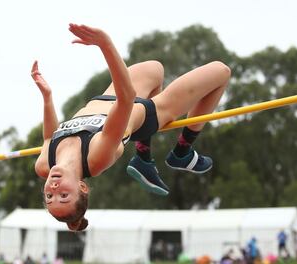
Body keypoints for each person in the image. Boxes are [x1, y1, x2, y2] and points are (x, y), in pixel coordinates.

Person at [32, 23, 230, 231]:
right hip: (145, 112)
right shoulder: (95, 157)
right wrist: (105, 44)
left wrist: (47, 98)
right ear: (82, 187)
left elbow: (49, 138)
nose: (54, 188)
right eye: (64, 196)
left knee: (155, 68)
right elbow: (126, 99)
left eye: (49, 196)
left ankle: (143, 157)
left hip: (107, 97)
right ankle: (183, 151)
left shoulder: (44, 165)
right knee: (220, 71)